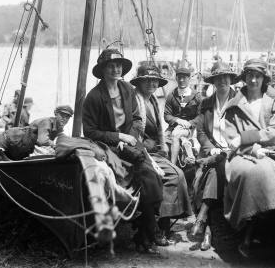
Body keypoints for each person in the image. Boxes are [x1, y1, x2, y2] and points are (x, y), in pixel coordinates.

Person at [82, 48, 163, 255]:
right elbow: (90, 131)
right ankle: (147, 234)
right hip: (108, 147)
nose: (116, 69)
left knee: (151, 176)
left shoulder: (127, 89)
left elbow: (137, 119)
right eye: (111, 66)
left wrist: (129, 137)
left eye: (119, 66)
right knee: (142, 176)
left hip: (130, 143)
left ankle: (145, 233)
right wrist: (117, 137)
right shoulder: (94, 97)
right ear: (102, 70)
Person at [222, 58, 275, 258]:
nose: (253, 80)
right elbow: (230, 137)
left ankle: (252, 229)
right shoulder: (235, 105)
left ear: (264, 79)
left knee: (265, 171)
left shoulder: (274, 102)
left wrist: (245, 137)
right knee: (246, 172)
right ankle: (244, 225)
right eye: (249, 75)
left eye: (257, 76)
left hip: (269, 151)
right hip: (241, 153)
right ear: (244, 78)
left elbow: (274, 133)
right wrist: (249, 148)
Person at [130, 64, 193, 247]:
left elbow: (158, 129)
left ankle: (161, 225)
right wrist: (148, 149)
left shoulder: (152, 101)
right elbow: (132, 132)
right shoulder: (135, 101)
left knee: (178, 175)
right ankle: (154, 228)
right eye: (147, 80)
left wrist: (162, 145)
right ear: (140, 82)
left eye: (155, 80)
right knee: (172, 175)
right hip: (140, 151)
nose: (152, 83)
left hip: (154, 150)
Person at [191, 61, 237, 251]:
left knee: (217, 166)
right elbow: (200, 131)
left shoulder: (238, 101)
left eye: (225, 78)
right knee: (212, 173)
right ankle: (208, 232)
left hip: (233, 151)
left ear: (230, 80)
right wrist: (210, 148)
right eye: (218, 78)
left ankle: (203, 216)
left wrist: (227, 149)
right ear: (213, 82)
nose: (222, 82)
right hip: (211, 152)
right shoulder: (206, 103)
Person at [0, 105, 74, 160]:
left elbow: (61, 138)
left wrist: (72, 145)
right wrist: (55, 145)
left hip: (18, 148)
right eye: (62, 115)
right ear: (56, 114)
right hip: (10, 140)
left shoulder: (58, 128)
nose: (64, 119)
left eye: (67, 117)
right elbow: (42, 140)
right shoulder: (46, 122)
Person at [164, 67, 202, 166]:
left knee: (176, 134)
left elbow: (201, 116)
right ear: (176, 78)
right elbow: (166, 115)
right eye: (179, 77)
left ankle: (173, 165)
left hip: (190, 128)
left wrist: (190, 124)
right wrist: (178, 120)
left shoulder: (197, 96)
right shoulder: (171, 95)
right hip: (173, 126)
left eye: (184, 77)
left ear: (189, 79)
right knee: (161, 139)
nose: (181, 80)